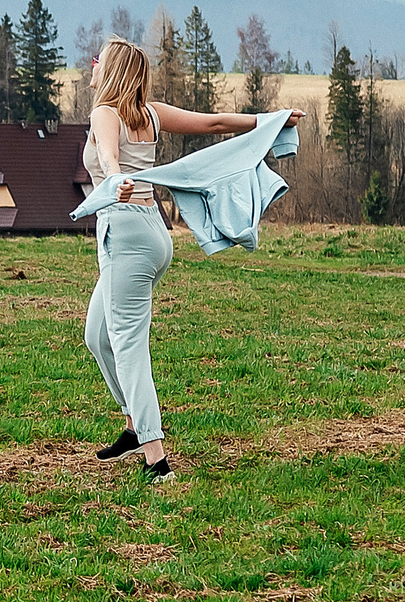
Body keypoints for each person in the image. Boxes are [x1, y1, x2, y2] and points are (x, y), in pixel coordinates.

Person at [82, 37, 302, 482]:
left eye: (98, 60)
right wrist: (269, 119)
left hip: (127, 234)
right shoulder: (151, 114)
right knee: (97, 335)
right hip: (152, 234)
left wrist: (116, 179)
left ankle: (156, 459)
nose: (91, 64)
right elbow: (215, 121)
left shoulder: (105, 114)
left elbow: (108, 156)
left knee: (127, 347)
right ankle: (132, 422)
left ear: (112, 71)